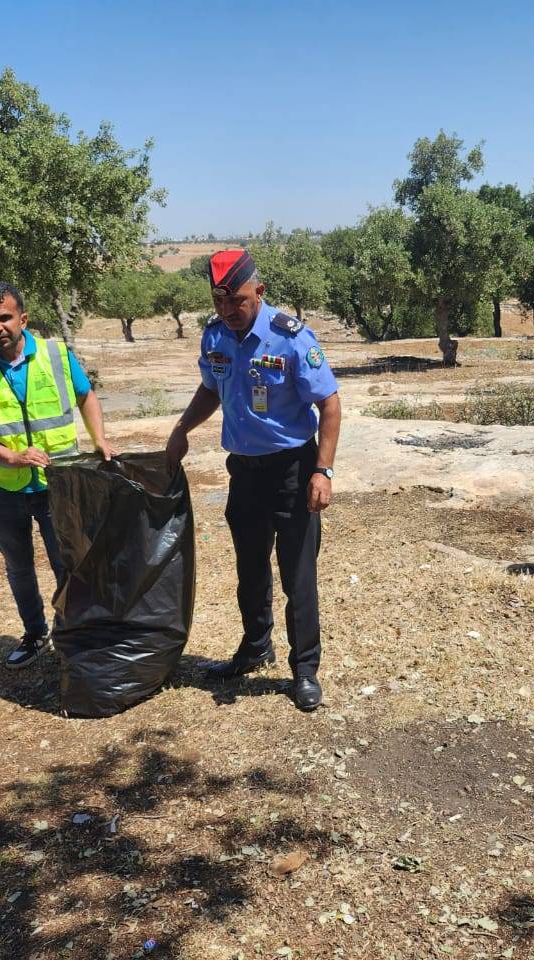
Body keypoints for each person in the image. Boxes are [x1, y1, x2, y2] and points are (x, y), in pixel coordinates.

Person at [165, 250, 341, 711]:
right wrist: (182, 429)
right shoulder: (215, 335)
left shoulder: (292, 338)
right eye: (219, 301)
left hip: (293, 471)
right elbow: (210, 389)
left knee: (298, 576)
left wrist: (322, 470)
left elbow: (329, 403)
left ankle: (304, 669)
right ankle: (256, 646)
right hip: (244, 472)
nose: (227, 310)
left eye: (237, 300)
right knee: (250, 569)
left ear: (259, 292)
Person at [0, 281, 117, 667]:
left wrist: (100, 439)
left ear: (23, 319)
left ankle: (74, 636)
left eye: (5, 317)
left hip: (59, 484)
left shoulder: (56, 355)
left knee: (68, 563)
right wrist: (9, 457)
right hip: (2, 487)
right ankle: (36, 634)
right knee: (19, 566)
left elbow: (86, 396)